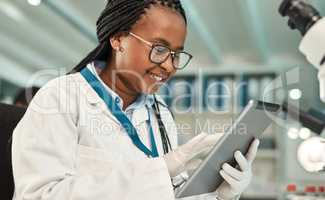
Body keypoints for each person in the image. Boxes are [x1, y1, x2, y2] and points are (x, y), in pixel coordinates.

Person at [11, 1, 259, 200]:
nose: (170, 66)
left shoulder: (160, 113)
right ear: (118, 39)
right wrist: (161, 170)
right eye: (159, 49)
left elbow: (172, 193)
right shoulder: (60, 98)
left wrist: (219, 194)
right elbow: (40, 195)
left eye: (176, 54)